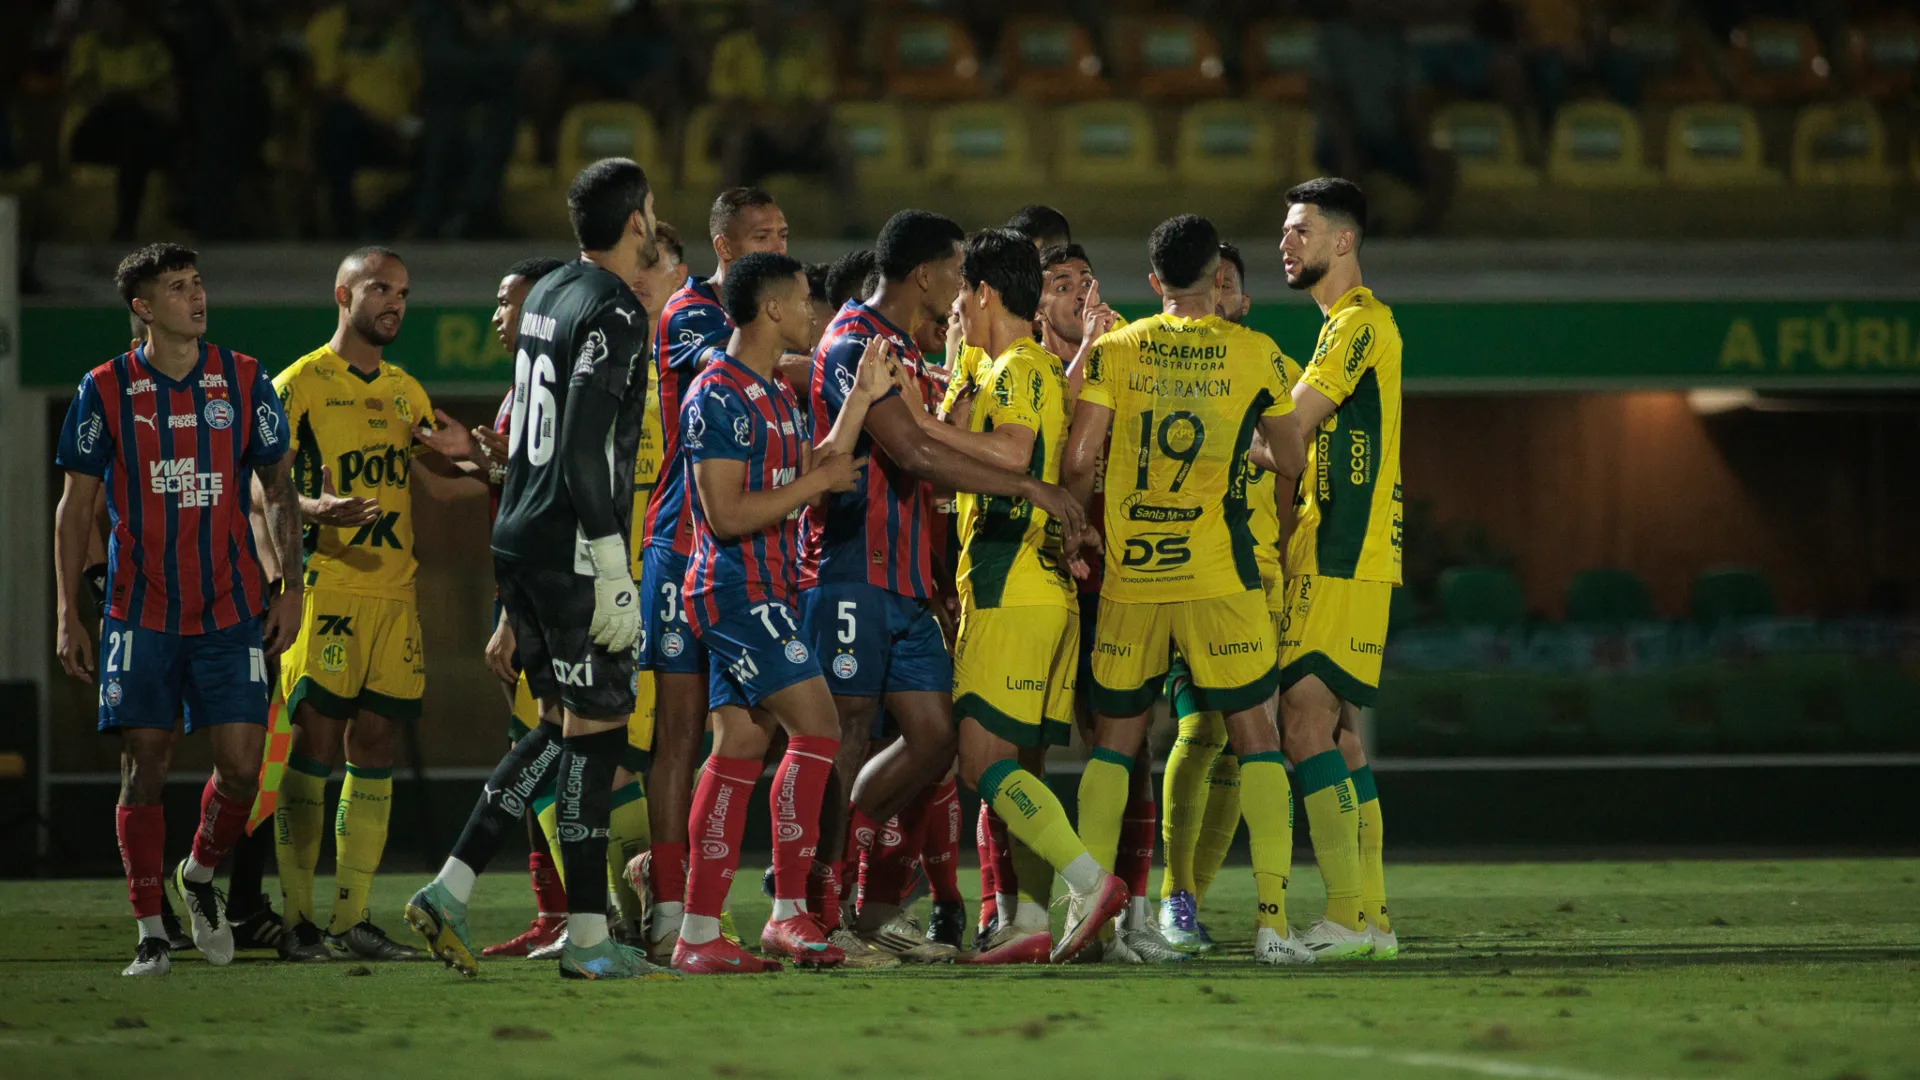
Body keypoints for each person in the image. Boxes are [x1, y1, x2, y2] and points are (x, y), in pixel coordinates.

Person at [799, 210, 1088, 965]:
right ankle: (817, 907)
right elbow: (914, 449)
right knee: (850, 733)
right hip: (852, 568)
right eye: (955, 271)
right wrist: (1029, 489)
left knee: (935, 741)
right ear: (923, 274)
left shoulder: (907, 348)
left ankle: (869, 909)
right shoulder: (857, 340)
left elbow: (948, 431)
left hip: (911, 582)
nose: (962, 286)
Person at [404, 157, 663, 980]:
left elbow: (531, 433)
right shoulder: (616, 311)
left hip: (519, 531)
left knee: (555, 728)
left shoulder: (548, 294)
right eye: (651, 211)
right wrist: (614, 562)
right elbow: (586, 443)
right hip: (572, 547)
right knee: (595, 737)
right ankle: (588, 940)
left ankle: (449, 889)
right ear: (636, 224)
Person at [1061, 214, 1313, 966]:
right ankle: (1272, 924)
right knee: (1255, 738)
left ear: (1152, 282)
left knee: (1117, 742)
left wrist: (1077, 525)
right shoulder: (1257, 353)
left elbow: (1079, 461)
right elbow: (1292, 454)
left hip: (1135, 575)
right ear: (1218, 278)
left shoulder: (1116, 348)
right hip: (1220, 573)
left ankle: (1090, 917)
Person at [53, 242, 305, 976]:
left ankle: (197, 875)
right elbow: (76, 507)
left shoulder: (246, 379)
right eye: (177, 288)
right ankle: (150, 932)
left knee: (241, 769)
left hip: (230, 608)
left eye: (198, 284)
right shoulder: (103, 390)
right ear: (143, 307)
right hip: (140, 611)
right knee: (147, 765)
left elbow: (279, 487)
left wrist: (288, 585)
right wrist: (70, 613)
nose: (196, 298)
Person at [901, 228, 1130, 965]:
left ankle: (1090, 883)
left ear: (986, 292)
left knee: (982, 767)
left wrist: (914, 428)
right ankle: (1030, 919)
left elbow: (1010, 454)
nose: (958, 304)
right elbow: (952, 468)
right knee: (1009, 770)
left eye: (965, 290)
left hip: (1015, 585)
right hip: (1026, 587)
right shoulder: (1005, 366)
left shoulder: (1022, 366)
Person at [268, 247, 486, 962]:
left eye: (403, 292)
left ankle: (349, 920)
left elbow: (444, 484)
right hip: (328, 588)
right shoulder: (297, 385)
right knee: (317, 743)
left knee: (377, 744)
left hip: (395, 595)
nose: (395, 302)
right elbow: (256, 490)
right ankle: (297, 918)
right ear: (343, 293)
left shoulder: (405, 392)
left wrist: (499, 474)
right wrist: (314, 507)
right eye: (380, 288)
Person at [673, 252, 886, 973]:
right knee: (819, 726)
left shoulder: (771, 391)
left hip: (772, 588)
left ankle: (698, 935)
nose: (812, 315)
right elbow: (725, 514)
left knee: (736, 749)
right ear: (770, 310)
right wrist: (817, 482)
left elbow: (816, 467)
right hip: (736, 591)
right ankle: (789, 913)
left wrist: (858, 402)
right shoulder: (717, 394)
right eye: (802, 302)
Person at [635, 187, 790, 964]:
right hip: (683, 540)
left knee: (743, 735)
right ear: (725, 246)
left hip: (749, 557)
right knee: (680, 730)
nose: (775, 243)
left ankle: (694, 905)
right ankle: (671, 906)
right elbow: (757, 360)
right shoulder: (692, 313)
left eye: (783, 231)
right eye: (760, 234)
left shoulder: (771, 312)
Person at [1157, 241, 1301, 953]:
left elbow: (1298, 465)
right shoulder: (1164, 362)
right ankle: (1172, 899)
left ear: (1242, 297)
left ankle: (1194, 905)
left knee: (1248, 747)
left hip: (1259, 578)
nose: (1219, 290)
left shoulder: (1272, 365)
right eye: (1210, 280)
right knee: (1200, 730)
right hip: (1189, 567)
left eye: (1230, 282)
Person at [1274, 177, 1405, 961]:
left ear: (1343, 241)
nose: (1286, 243)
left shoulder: (1357, 324)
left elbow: (1290, 429)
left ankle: (1346, 920)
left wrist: (1212, 404)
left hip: (1342, 551)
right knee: (1342, 738)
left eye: (1301, 230)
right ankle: (1374, 917)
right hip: (1347, 552)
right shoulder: (1343, 328)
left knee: (1303, 724)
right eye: (1285, 232)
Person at [471, 255, 571, 960]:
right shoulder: (519, 395)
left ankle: (607, 910)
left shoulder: (567, 387)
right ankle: (554, 910)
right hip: (530, 593)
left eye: (510, 303)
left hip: (562, 599)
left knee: (561, 750)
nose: (500, 317)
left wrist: (511, 617)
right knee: (533, 748)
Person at [708, 0, 857, 235]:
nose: (768, 15)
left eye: (774, 8)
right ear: (751, 13)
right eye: (761, 9)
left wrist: (792, 125)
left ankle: (850, 221)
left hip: (800, 133)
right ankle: (727, 225)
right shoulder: (731, 48)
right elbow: (728, 104)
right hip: (756, 138)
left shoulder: (809, 47)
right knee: (735, 139)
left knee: (836, 140)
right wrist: (766, 124)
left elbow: (819, 102)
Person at [63, 0, 178, 241]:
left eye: (111, 11)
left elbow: (166, 102)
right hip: (97, 136)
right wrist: (131, 94)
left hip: (139, 140)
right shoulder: (87, 47)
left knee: (136, 136)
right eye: (99, 12)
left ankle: (126, 226)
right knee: (125, 116)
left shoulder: (151, 50)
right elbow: (84, 93)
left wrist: (130, 98)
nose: (105, 18)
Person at [305, 0, 420, 238]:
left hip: (400, 133)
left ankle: (401, 225)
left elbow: (420, 91)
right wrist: (380, 125)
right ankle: (344, 231)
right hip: (357, 131)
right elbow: (328, 94)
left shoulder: (405, 30)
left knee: (444, 139)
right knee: (337, 124)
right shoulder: (330, 26)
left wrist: (410, 126)